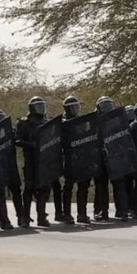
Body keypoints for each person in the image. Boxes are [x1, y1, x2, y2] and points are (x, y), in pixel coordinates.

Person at [16, 97, 50, 227]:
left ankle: (41, 216)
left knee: (43, 188)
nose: (41, 109)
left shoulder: (46, 122)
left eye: (42, 106)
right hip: (30, 160)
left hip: (43, 161)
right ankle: (25, 217)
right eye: (38, 106)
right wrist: (32, 145)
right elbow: (18, 140)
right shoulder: (24, 123)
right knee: (29, 189)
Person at [61, 95, 90, 224]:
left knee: (83, 186)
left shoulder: (82, 121)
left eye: (76, 106)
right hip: (69, 158)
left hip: (82, 157)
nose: (75, 109)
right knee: (68, 186)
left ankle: (82, 214)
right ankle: (66, 214)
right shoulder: (62, 123)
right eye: (73, 107)